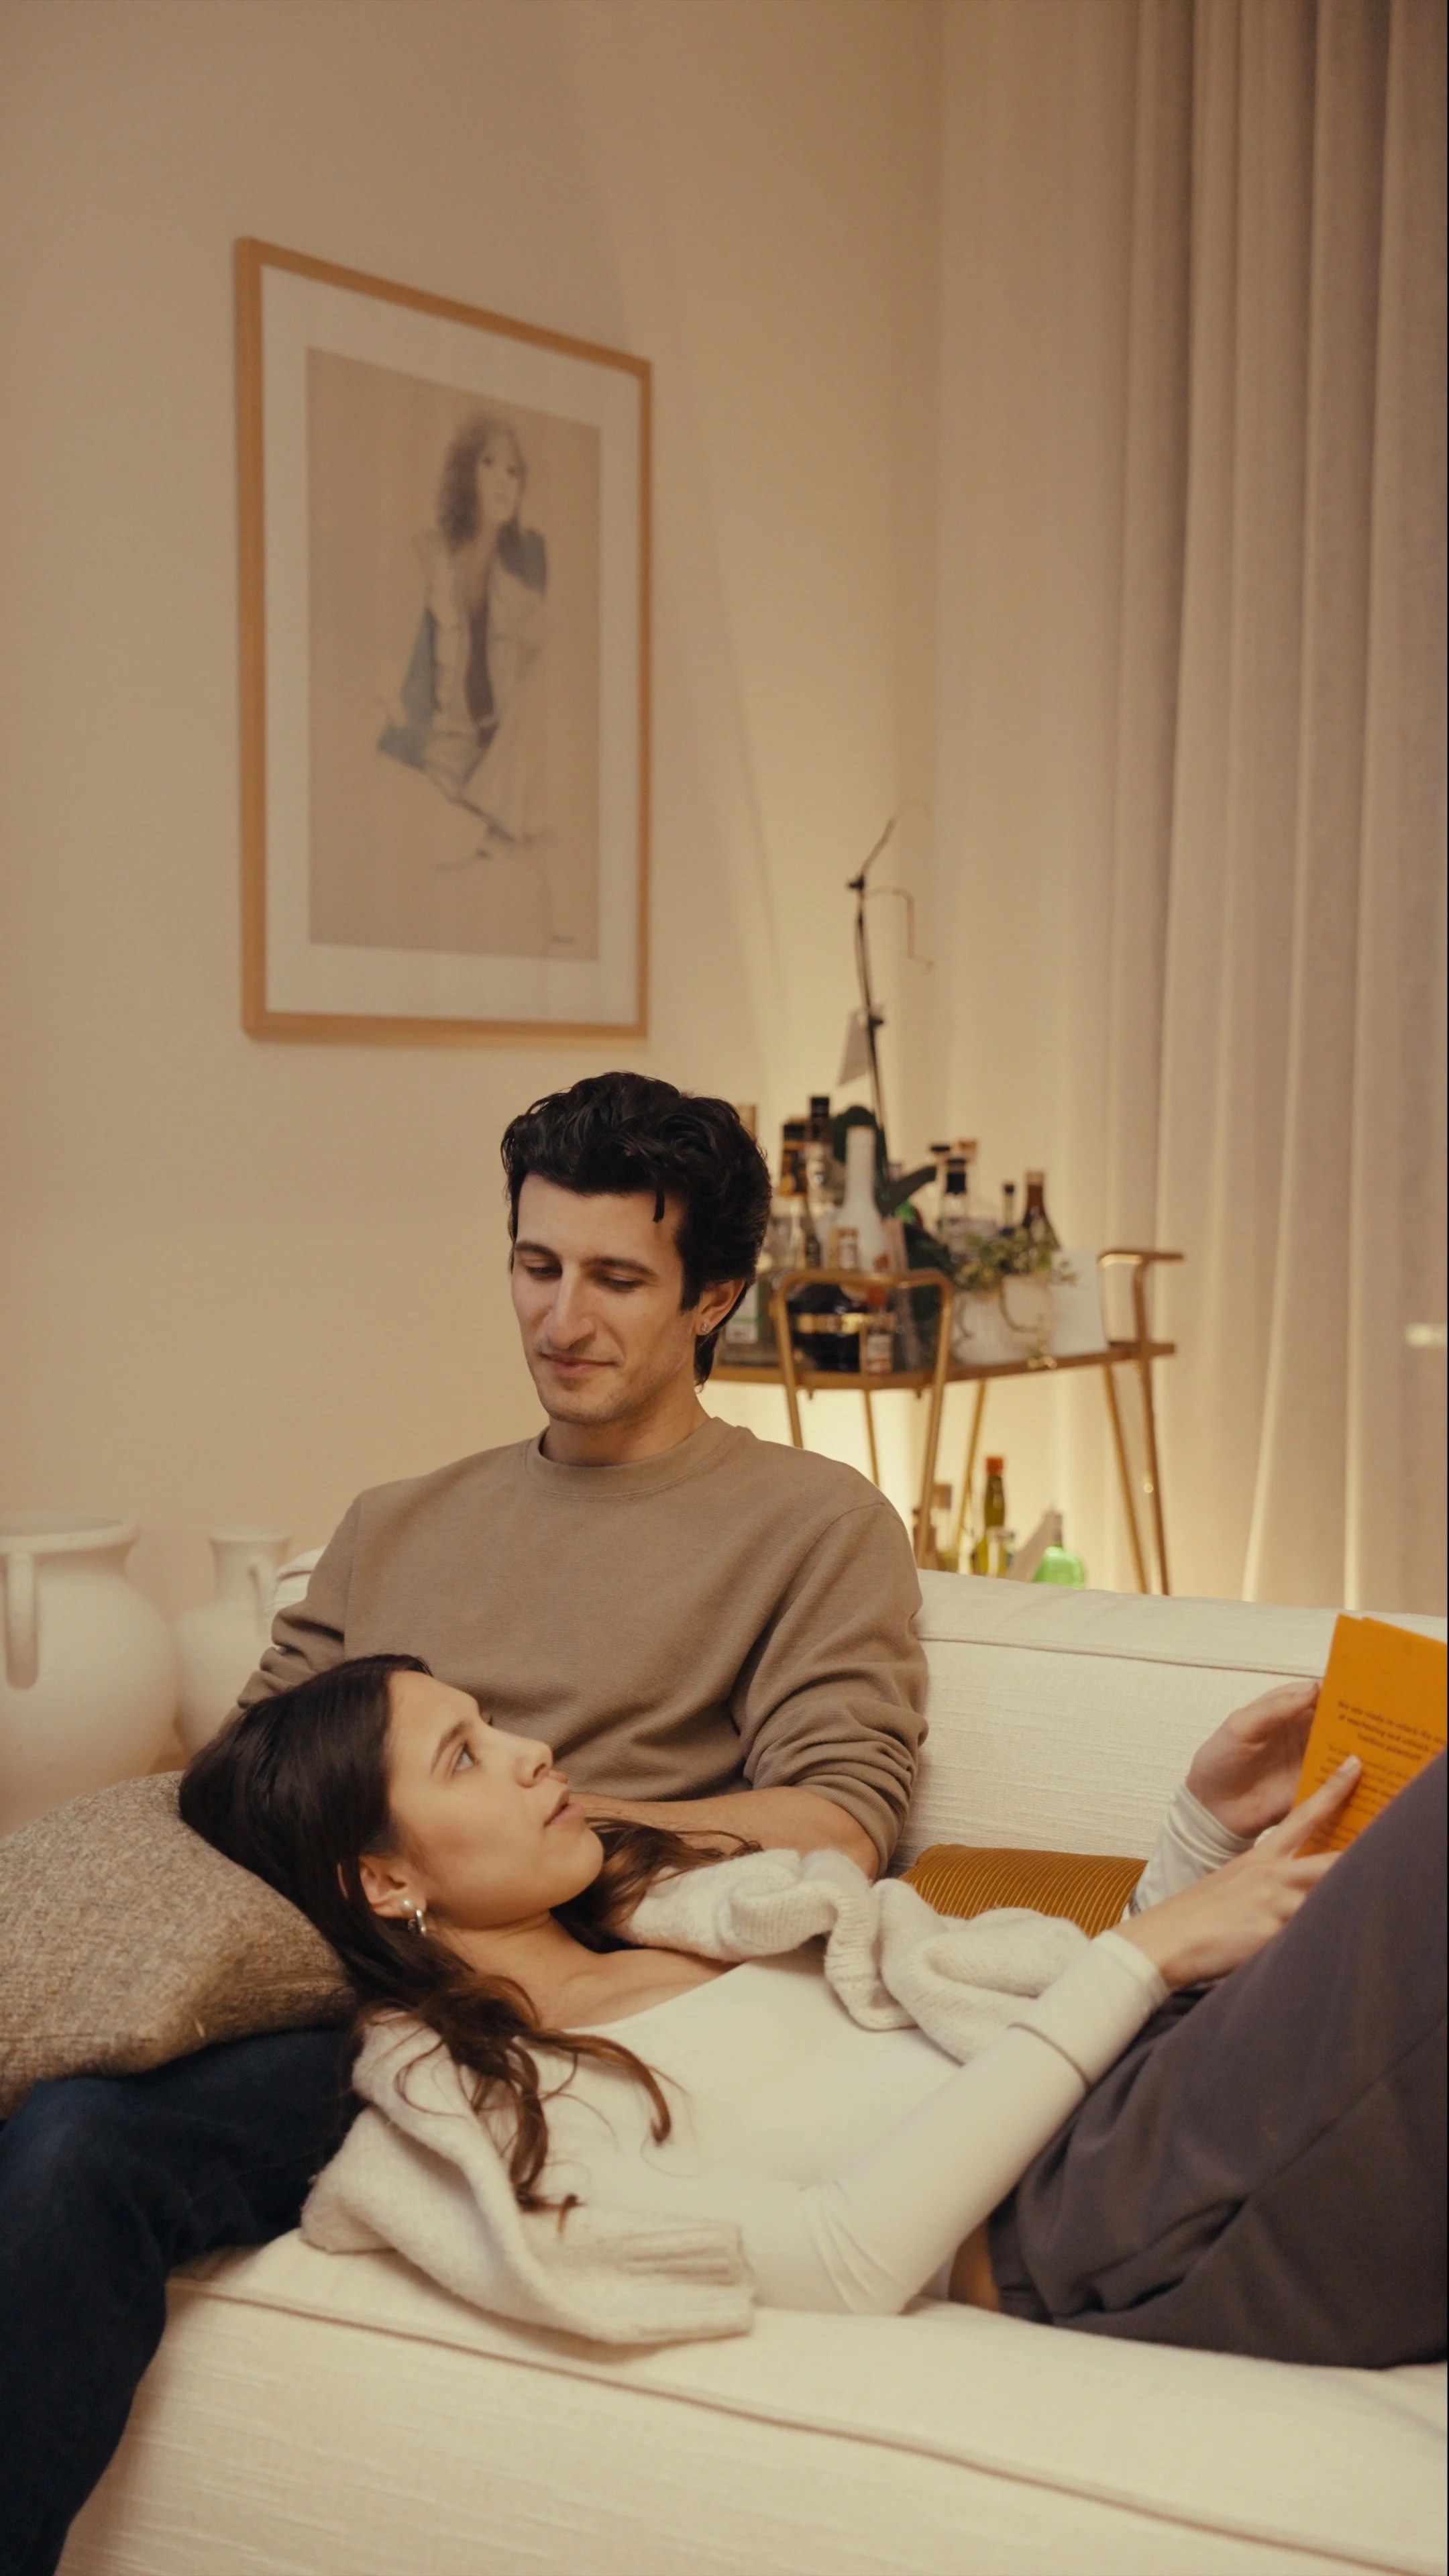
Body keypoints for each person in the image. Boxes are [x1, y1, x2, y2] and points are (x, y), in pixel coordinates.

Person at [0, 1073, 926, 2575]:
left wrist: (508, 1812)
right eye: (535, 1263)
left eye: (619, 1278)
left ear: (716, 1300)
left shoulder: (816, 1528)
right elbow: (245, 1781)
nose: (563, 1318)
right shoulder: (396, 1522)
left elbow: (838, 1823)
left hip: (515, 2012)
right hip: (323, 1979)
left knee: (80, 2148)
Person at [181, 1651, 1446, 2365]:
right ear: (383, 1878)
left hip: (1152, 2106)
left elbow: (997, 2027)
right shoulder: (502, 2092)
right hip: (1094, 2220)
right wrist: (1150, 1959)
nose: (531, 1750)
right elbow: (846, 2259)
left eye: (495, 1716)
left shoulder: (692, 1908)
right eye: (465, 1755)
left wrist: (1195, 1838)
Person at [378, 411, 551, 850]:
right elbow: (410, 681)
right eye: (489, 463)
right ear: (464, 470)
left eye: (513, 471)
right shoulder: (430, 558)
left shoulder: (527, 562)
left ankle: (490, 816)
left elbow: (540, 674)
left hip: (500, 763)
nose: (504, 480)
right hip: (445, 760)